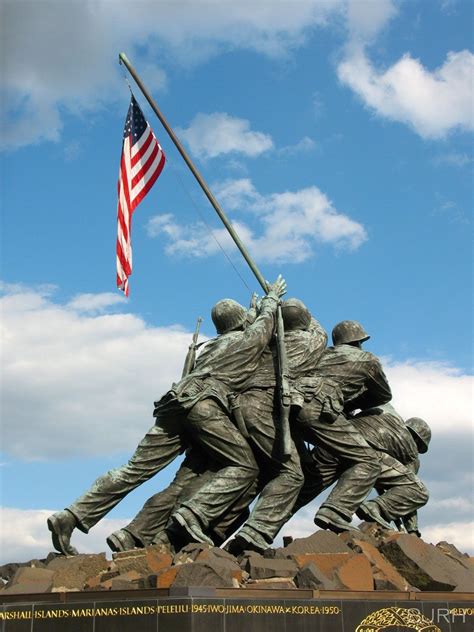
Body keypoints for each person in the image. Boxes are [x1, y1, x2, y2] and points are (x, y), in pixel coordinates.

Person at [47, 276, 287, 556]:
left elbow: (255, 325)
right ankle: (194, 514)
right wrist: (272, 298)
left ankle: (71, 515)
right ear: (241, 321)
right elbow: (263, 328)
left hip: (173, 405)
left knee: (133, 470)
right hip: (203, 407)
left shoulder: (210, 347)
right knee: (245, 466)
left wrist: (255, 310)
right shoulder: (244, 342)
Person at [290, 320, 392, 533]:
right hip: (319, 413)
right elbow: (383, 395)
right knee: (369, 461)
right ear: (357, 341)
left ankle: (259, 527)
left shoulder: (320, 355)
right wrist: (349, 404)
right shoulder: (367, 360)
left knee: (299, 476)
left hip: (291, 410)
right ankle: (335, 511)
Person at [353, 406, 431, 535]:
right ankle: (374, 508)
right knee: (419, 492)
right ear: (418, 441)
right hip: (371, 464)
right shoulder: (412, 456)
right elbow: (409, 491)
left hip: (353, 449)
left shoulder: (387, 428)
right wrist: (412, 529)